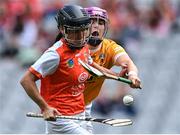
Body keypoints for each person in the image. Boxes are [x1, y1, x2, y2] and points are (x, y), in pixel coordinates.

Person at [20, 5, 93, 134]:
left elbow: (91, 67)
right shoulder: (55, 54)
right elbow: (26, 80)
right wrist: (45, 107)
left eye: (84, 30)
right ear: (62, 29)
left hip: (80, 114)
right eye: (75, 31)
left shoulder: (84, 48)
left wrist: (114, 74)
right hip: (61, 118)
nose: (81, 36)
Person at [83, 7, 141, 133]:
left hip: (84, 108)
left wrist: (132, 75)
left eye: (101, 23)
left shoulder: (109, 47)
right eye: (92, 22)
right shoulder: (72, 49)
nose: (96, 27)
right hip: (66, 105)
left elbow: (128, 62)